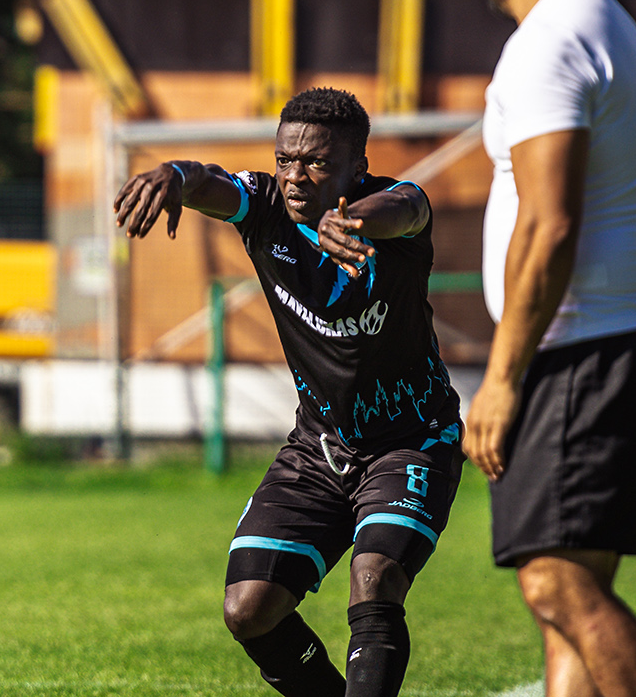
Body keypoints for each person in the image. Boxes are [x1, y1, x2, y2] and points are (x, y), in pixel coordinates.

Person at [114, 87, 463, 697]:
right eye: (285, 160)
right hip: (319, 449)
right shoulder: (268, 207)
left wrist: (352, 220)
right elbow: (211, 182)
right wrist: (175, 174)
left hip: (412, 443)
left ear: (356, 167)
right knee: (249, 608)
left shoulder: (395, 212)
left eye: (316, 163)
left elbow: (409, 207)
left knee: (375, 576)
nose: (296, 176)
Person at [462, 0, 636, 697]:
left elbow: (549, 223)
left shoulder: (548, 42)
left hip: (585, 349)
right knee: (566, 608)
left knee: (554, 583)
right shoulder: (612, 28)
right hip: (629, 341)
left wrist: (499, 377)